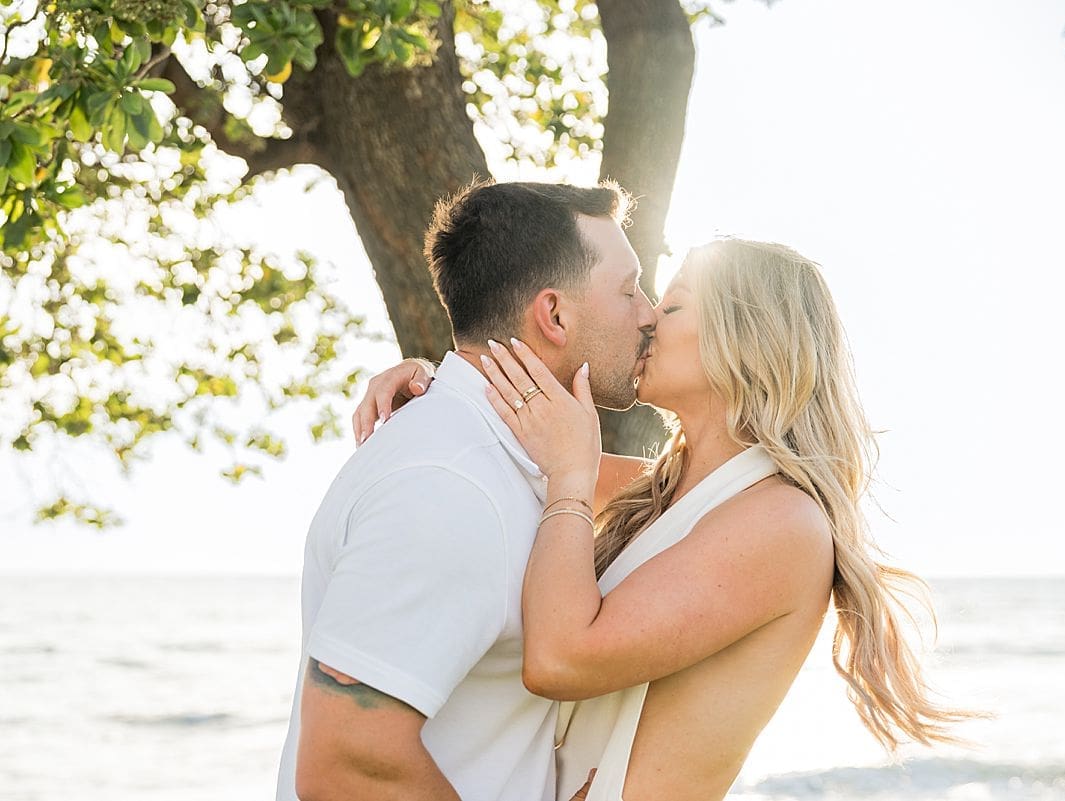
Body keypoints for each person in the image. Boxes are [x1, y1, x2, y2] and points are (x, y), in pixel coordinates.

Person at [356, 238, 990, 800]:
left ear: (747, 338)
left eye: (676, 305)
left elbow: (561, 660)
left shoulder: (783, 524)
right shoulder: (662, 491)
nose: (649, 319)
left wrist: (571, 480)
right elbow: (514, 450)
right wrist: (443, 385)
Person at [275, 179, 654, 801]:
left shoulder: (505, 458)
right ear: (554, 315)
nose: (647, 312)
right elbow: (347, 763)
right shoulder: (447, 485)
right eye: (627, 288)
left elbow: (679, 496)